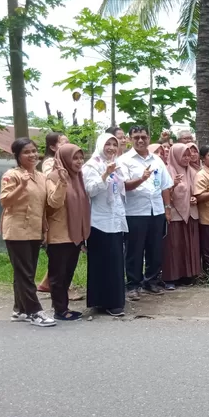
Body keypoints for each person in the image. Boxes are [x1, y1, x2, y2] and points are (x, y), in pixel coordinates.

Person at [0, 138, 64, 326]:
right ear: (18, 156)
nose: (32, 155)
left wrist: (61, 181)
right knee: (25, 273)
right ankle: (34, 312)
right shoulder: (11, 175)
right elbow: (5, 201)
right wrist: (21, 186)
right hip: (16, 231)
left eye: (34, 151)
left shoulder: (41, 177)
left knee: (25, 272)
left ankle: (19, 310)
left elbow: (53, 201)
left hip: (34, 230)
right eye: (26, 152)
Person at [119, 126, 174, 300]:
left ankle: (151, 281)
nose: (140, 140)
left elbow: (165, 186)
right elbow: (124, 186)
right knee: (134, 250)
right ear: (130, 139)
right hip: (135, 212)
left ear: (149, 138)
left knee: (154, 248)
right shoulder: (124, 160)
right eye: (136, 137)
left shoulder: (157, 159)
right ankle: (133, 285)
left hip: (156, 210)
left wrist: (167, 209)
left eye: (143, 137)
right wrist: (141, 179)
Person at [83, 133, 128, 317]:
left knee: (116, 263)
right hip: (99, 222)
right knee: (100, 264)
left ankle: (114, 301)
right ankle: (100, 301)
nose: (111, 148)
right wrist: (105, 174)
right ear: (100, 145)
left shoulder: (117, 165)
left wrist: (113, 172)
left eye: (114, 144)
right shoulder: (91, 166)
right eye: (107, 144)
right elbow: (90, 190)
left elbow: (120, 192)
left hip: (115, 220)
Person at [44, 144, 90, 321]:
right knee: (58, 275)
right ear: (64, 158)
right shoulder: (53, 176)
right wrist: (62, 182)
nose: (79, 162)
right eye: (74, 158)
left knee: (67, 274)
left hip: (74, 235)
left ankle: (63, 307)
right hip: (59, 235)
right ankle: (60, 310)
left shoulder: (78, 177)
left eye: (81, 158)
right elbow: (54, 202)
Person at [162, 143, 202, 289]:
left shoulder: (192, 171)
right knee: (174, 247)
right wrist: (173, 184)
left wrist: (195, 198)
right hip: (174, 215)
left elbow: (197, 191)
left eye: (188, 155)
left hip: (191, 214)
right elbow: (163, 193)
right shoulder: (167, 171)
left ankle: (187, 275)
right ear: (175, 155)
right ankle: (171, 278)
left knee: (188, 246)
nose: (186, 158)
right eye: (183, 155)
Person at [37, 131, 69, 295]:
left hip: (62, 211)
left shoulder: (62, 161)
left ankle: (47, 283)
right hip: (54, 209)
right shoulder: (50, 163)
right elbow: (51, 178)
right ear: (52, 146)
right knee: (59, 253)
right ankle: (53, 286)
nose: (67, 145)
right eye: (63, 142)